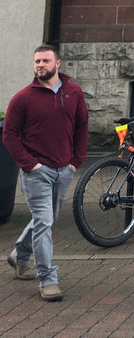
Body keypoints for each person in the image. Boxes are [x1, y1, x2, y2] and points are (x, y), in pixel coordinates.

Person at [2, 44, 89, 302]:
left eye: (45, 61)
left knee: (47, 220)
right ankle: (48, 279)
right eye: (37, 61)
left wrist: (76, 161)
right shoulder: (23, 98)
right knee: (44, 222)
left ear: (57, 64)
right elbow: (9, 135)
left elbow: (82, 127)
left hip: (64, 170)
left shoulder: (74, 92)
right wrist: (30, 164)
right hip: (37, 173)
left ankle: (19, 255)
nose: (40, 65)